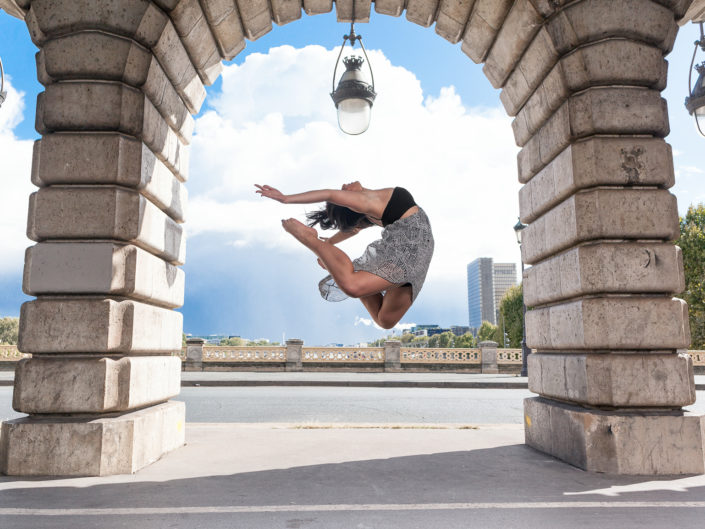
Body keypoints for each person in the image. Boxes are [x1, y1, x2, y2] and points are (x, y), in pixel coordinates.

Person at [255, 182, 434, 329]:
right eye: (344, 193)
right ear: (350, 204)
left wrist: (329, 245)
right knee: (368, 304)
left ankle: (347, 270)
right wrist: (286, 199)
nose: (343, 185)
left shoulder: (373, 208)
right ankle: (310, 240)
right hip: (411, 252)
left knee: (371, 306)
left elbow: (352, 230)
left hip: (415, 253)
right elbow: (329, 194)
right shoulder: (367, 201)